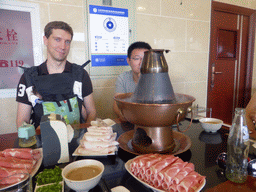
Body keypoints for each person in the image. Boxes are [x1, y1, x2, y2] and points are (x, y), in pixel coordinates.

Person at [16, 21, 96, 128]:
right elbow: (22, 120)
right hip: (43, 142)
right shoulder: (29, 77)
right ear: (45, 40)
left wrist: (86, 133)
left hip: (77, 140)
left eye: (67, 42)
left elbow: (92, 112)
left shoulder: (80, 75)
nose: (63, 46)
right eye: (57, 39)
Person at [113, 41, 151, 120]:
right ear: (128, 61)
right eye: (137, 58)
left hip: (153, 121)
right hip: (129, 121)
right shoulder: (123, 78)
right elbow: (116, 105)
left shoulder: (158, 78)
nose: (141, 63)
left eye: (145, 59)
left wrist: (144, 81)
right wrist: (127, 119)